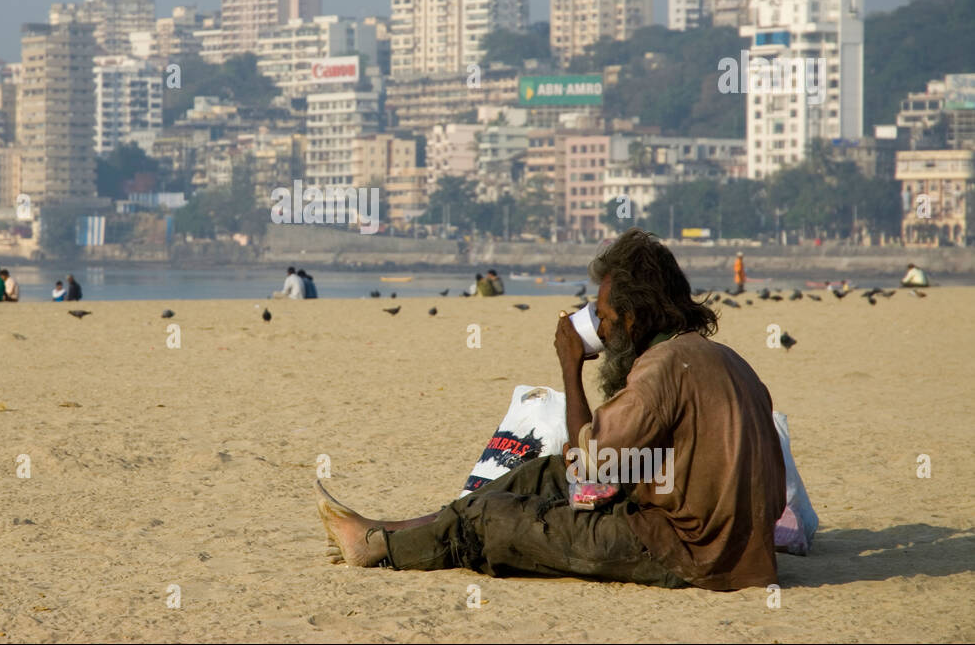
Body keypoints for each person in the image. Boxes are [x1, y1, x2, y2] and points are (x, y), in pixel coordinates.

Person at [316, 228, 786, 592]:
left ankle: (378, 547)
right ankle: (393, 527)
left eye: (603, 316)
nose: (599, 326)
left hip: (689, 552)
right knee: (540, 475)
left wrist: (569, 366)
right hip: (744, 552)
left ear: (634, 316)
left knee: (490, 519)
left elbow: (589, 465)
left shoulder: (663, 369)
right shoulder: (721, 358)